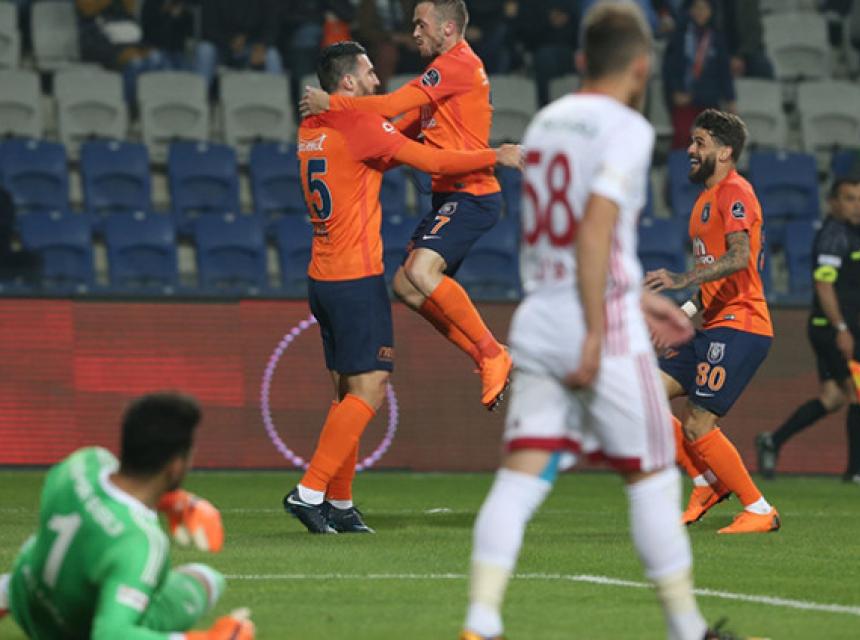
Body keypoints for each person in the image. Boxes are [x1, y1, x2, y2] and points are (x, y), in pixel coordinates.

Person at [460, 4, 734, 639]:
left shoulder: (547, 121)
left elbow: (557, 239)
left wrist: (629, 295)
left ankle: (480, 622)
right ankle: (687, 629)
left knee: (519, 480)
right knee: (652, 476)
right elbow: (595, 228)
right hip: (599, 326)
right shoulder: (628, 129)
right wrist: (599, 323)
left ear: (582, 59)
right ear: (640, 68)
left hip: (540, 315)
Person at [284, 41, 522, 535]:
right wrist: (494, 155)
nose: (377, 80)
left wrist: (426, 117)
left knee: (347, 395)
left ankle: (340, 504)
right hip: (355, 278)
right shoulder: (360, 125)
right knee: (371, 389)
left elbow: (389, 138)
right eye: (369, 72)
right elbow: (432, 162)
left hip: (321, 280)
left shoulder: (312, 128)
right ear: (347, 82)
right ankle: (308, 492)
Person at [300, 0, 515, 413]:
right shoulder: (444, 75)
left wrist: (334, 105)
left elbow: (391, 106)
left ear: (447, 29)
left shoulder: (455, 64)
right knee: (406, 286)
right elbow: (403, 128)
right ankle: (485, 354)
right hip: (451, 195)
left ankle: (491, 353)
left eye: (420, 25)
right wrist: (372, 147)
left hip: (471, 192)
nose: (414, 33)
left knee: (421, 271)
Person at [0, 392, 255, 639]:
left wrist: (173, 500)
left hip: (25, 596)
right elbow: (111, 635)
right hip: (71, 631)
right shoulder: (141, 542)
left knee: (54, 547)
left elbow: (109, 491)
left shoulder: (81, 464)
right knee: (207, 579)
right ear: (176, 466)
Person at [644, 109, 779, 535]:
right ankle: (705, 483)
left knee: (699, 422)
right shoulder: (704, 201)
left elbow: (738, 259)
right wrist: (680, 317)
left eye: (699, 142)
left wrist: (681, 279)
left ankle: (759, 508)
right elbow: (713, 281)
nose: (690, 149)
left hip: (742, 324)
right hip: (714, 323)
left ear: (725, 152)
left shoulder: (735, 192)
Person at [756, 177, 860, 483]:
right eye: (849, 199)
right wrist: (841, 328)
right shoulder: (833, 237)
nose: (857, 206)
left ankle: (773, 441)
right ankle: (855, 472)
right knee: (857, 393)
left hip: (839, 328)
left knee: (833, 397)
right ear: (833, 202)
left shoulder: (852, 234)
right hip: (830, 329)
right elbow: (823, 286)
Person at [661, 0, 735, 149]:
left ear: (711, 11)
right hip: (684, 101)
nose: (700, 12)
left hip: (709, 102)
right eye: (697, 7)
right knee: (683, 135)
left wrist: (730, 99)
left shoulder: (717, 38)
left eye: (705, 8)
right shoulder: (679, 37)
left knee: (712, 140)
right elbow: (670, 69)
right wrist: (675, 92)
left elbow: (724, 72)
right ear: (690, 10)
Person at [194, 0, 283, 90]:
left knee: (272, 56)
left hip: (252, 46)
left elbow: (271, 27)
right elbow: (208, 28)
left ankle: (275, 95)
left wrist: (261, 45)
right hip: (221, 47)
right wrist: (229, 41)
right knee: (205, 50)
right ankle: (200, 93)